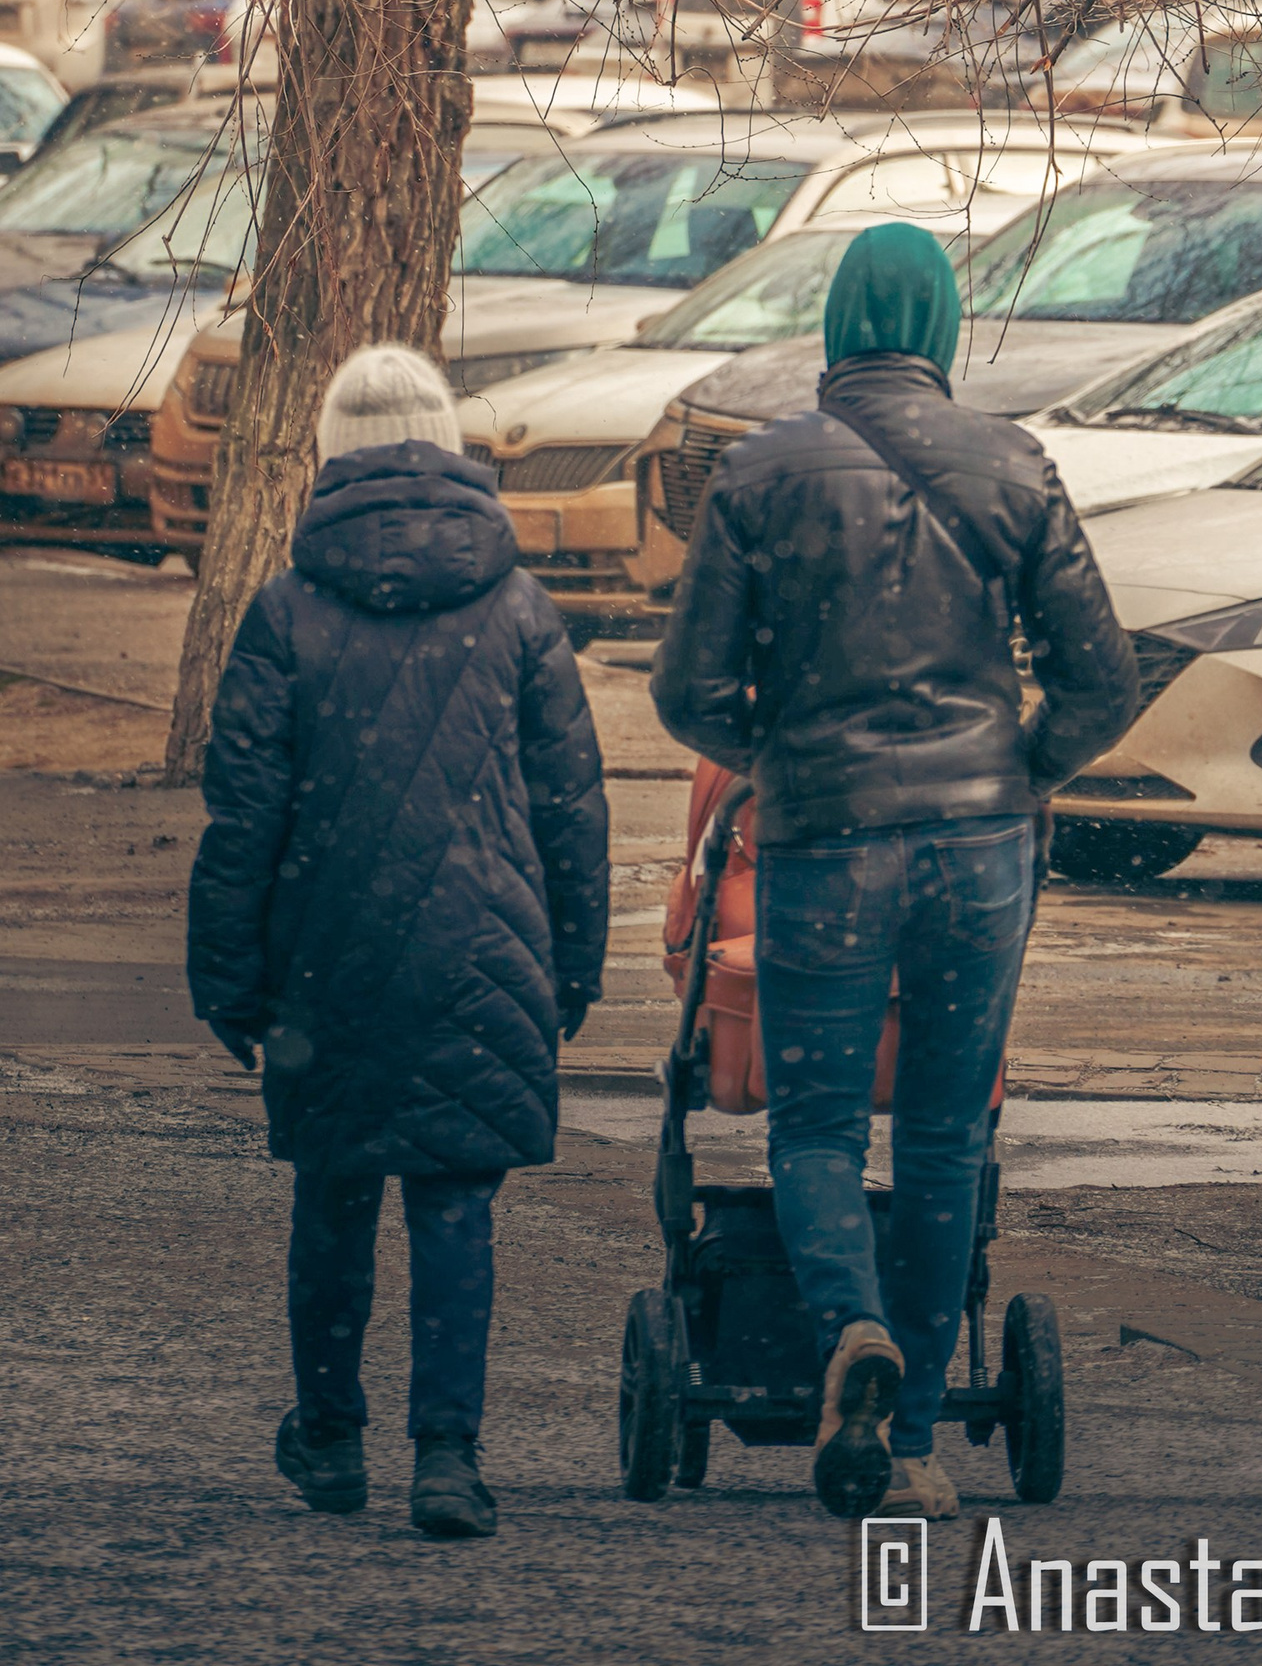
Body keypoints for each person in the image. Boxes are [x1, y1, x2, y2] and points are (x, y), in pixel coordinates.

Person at [650, 221, 1134, 1523]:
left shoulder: (758, 472)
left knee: (813, 1125)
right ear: (940, 327)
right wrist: (1023, 770)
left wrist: (783, 759)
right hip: (981, 856)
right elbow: (1104, 677)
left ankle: (850, 1327)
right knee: (943, 1132)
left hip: (824, 842)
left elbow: (687, 688)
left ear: (835, 322)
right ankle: (912, 1433)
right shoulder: (1018, 464)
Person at [186, 341, 610, 1540]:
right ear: (451, 449)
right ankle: (447, 1456)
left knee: (332, 1194)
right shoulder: (519, 607)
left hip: (328, 953)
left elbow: (244, 818)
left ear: (329, 456)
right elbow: (571, 803)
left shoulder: (285, 610)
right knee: (451, 1198)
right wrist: (573, 957)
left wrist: (229, 972)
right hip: (480, 947)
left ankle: (328, 1433)